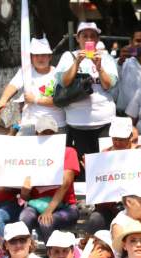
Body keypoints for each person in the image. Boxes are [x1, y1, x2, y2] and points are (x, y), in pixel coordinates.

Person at [55, 22, 118, 174]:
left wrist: (99, 67)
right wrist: (77, 62)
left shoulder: (106, 57)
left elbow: (109, 85)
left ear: (97, 39)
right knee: (83, 168)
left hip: (104, 122)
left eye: (92, 36)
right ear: (78, 38)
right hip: (78, 123)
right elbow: (64, 82)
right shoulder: (67, 56)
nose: (88, 39)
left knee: (105, 167)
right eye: (85, 36)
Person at [15, 117, 80, 242]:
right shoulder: (29, 156)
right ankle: (25, 255)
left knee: (46, 222)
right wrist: (25, 191)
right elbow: (26, 197)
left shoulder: (68, 152)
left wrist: (49, 210)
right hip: (36, 205)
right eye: (44, 133)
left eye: (51, 133)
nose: (48, 136)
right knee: (24, 219)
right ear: (36, 134)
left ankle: (54, 257)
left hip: (65, 207)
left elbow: (66, 183)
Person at [0, 38, 64, 135]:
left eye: (43, 55)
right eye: (36, 55)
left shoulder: (58, 73)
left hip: (56, 124)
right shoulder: (26, 71)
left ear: (50, 57)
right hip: (30, 123)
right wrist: (3, 100)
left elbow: (60, 100)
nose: (40, 58)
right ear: (30, 57)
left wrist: (34, 99)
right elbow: (13, 85)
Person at [115, 28, 141, 116]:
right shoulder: (121, 62)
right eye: (138, 41)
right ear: (131, 42)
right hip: (123, 115)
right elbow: (111, 82)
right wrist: (120, 62)